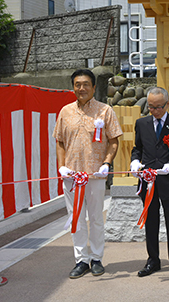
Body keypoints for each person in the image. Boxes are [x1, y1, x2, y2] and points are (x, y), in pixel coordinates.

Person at [53, 69, 123, 279]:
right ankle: (81, 260)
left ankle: (96, 258)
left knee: (96, 218)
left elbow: (114, 140)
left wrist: (106, 164)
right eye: (77, 84)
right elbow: (60, 141)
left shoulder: (105, 111)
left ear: (93, 87)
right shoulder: (65, 111)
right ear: (73, 87)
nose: (81, 88)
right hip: (72, 177)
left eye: (85, 84)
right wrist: (62, 166)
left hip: (95, 175)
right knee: (76, 218)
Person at [130, 87, 169, 277]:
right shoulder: (141, 124)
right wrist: (135, 161)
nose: (154, 111)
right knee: (151, 222)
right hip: (148, 181)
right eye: (151, 107)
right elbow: (137, 148)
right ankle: (153, 260)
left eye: (158, 107)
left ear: (167, 104)